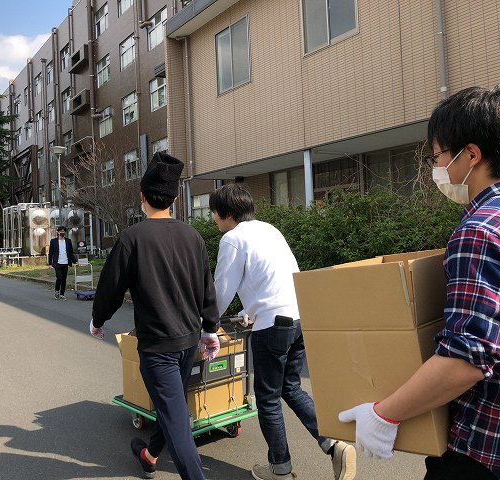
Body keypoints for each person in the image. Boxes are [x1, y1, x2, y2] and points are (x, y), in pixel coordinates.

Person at [339, 86, 500, 480]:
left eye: (438, 156)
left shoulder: (479, 231)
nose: (437, 167)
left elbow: (468, 358)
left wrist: (384, 414)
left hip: (481, 449)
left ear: (471, 155)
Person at [209, 183, 356, 480]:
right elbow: (273, 279)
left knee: (267, 398)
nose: (213, 218)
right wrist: (250, 312)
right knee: (291, 388)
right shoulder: (269, 230)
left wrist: (206, 324)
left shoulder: (232, 239)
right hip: (298, 318)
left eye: (213, 212)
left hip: (273, 327)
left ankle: (280, 469)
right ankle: (334, 444)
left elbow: (221, 292)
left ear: (225, 213)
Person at [89, 152, 221, 480]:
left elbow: (110, 288)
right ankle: (150, 456)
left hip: (158, 347)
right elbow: (206, 287)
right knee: (171, 406)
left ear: (142, 197)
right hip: (188, 341)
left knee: (177, 421)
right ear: (175, 200)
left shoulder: (132, 238)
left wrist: (98, 320)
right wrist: (210, 329)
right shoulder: (192, 236)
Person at [48, 225, 75, 300]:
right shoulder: (53, 241)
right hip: (57, 263)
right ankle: (57, 290)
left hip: (65, 262)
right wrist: (50, 263)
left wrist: (75, 261)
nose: (62, 232)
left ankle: (62, 294)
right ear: (58, 232)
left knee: (64, 279)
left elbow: (71, 252)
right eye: (61, 231)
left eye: (63, 231)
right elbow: (51, 253)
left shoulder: (68, 241)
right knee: (59, 277)